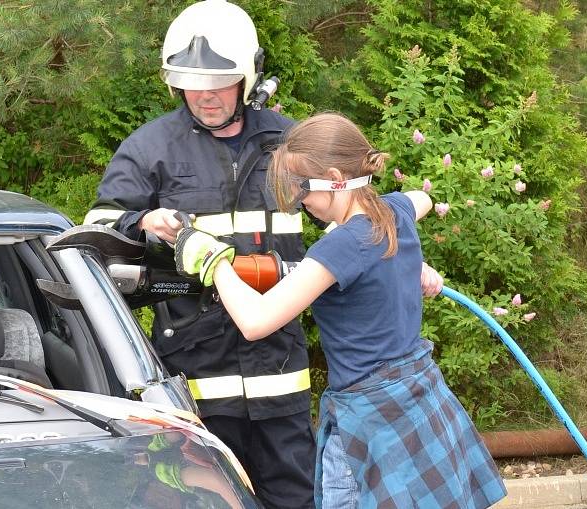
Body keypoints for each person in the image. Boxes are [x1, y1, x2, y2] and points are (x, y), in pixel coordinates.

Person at [176, 112, 507, 508]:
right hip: (418, 399)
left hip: (371, 421)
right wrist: (403, 262)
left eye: (301, 188)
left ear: (335, 177)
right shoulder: (394, 212)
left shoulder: (340, 247)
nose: (300, 201)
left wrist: (214, 261)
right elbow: (424, 199)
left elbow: (255, 321)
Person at [84, 1, 316, 507]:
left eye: (219, 82)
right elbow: (96, 230)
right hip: (196, 377)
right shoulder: (150, 148)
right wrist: (140, 222)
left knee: (297, 499)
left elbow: (348, 210)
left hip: (279, 370)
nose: (205, 96)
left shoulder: (291, 143)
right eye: (192, 83)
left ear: (249, 77)